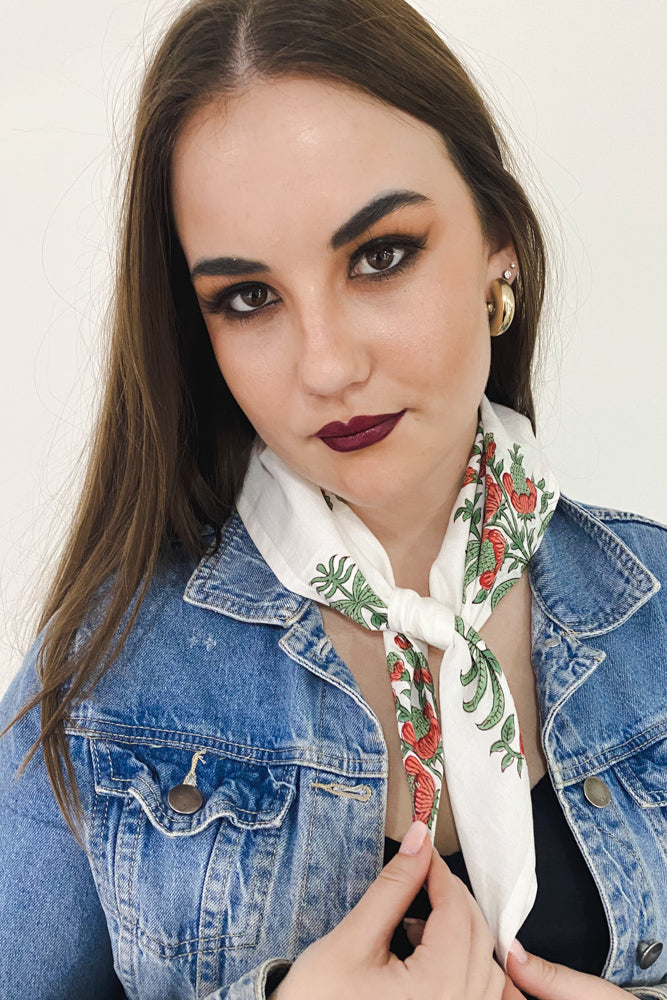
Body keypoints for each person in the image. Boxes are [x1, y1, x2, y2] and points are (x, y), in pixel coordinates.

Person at [0, 0, 665, 998]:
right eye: (248, 297)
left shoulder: (656, 614)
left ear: (500, 247)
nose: (326, 364)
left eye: (379, 255)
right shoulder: (99, 677)